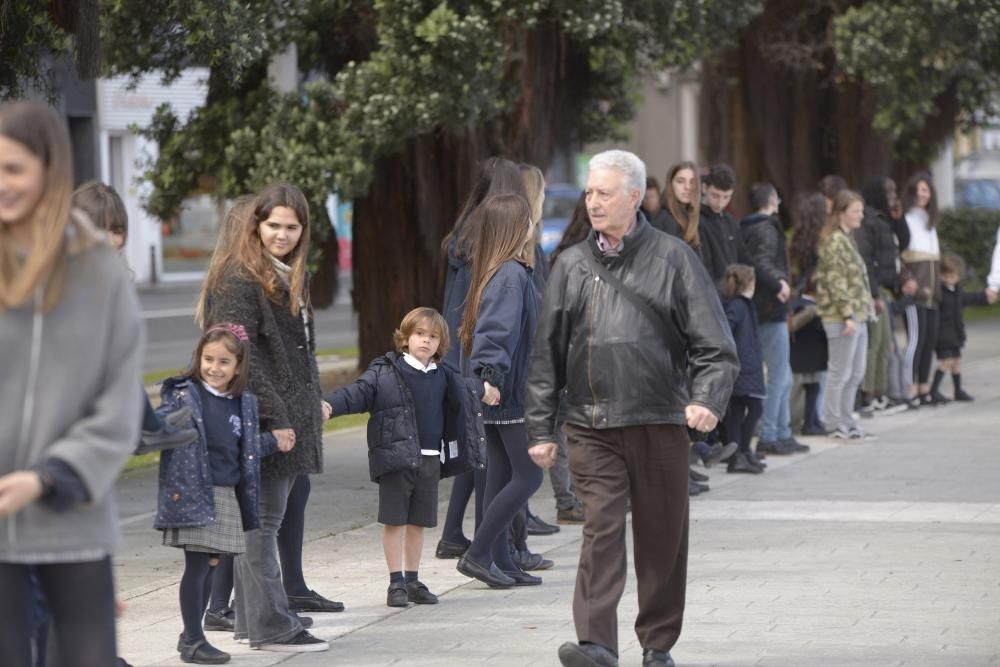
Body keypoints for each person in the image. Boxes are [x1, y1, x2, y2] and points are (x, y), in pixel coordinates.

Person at [526, 150, 739, 667]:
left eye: (603, 193)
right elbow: (546, 352)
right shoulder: (572, 264)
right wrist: (541, 428)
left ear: (634, 197)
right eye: (589, 193)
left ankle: (657, 644)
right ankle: (596, 642)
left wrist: (706, 400)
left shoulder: (674, 259)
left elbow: (716, 345)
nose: (592, 203)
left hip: (663, 422)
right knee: (600, 529)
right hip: (593, 426)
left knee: (662, 537)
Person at [0, 100, 144, 666]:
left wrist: (51, 475)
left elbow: (117, 397)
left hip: (73, 511)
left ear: (49, 169)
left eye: (13, 168)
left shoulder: (97, 268)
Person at [199, 182, 329, 652]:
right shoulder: (240, 279)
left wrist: (313, 401)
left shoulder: (286, 273)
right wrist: (276, 419)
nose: (282, 234)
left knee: (261, 521)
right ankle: (273, 626)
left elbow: (297, 354)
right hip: (263, 422)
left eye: (292, 227)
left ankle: (253, 624)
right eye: (273, 225)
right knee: (261, 525)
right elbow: (239, 357)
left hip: (290, 418)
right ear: (256, 225)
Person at [324, 307, 486, 606]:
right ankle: (395, 582)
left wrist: (484, 389)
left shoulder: (444, 375)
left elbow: (467, 390)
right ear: (406, 338)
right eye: (419, 334)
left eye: (433, 336)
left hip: (430, 459)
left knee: (418, 523)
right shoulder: (386, 372)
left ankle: (412, 579)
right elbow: (356, 393)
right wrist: (328, 405)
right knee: (395, 522)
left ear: (441, 343)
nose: (426, 341)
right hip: (397, 458)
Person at [156, 324, 279, 664]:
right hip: (195, 490)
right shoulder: (185, 394)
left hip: (226, 494)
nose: (214, 367)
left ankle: (190, 636)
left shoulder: (241, 402)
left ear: (238, 367)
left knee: (211, 564)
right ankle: (194, 639)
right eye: (208, 359)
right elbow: (160, 426)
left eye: (224, 362)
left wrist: (275, 441)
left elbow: (246, 446)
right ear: (198, 358)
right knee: (198, 566)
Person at [436, 157, 525, 560]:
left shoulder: (465, 235)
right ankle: (491, 548)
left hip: (465, 354)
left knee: (483, 457)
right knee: (503, 465)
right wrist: (488, 372)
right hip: (487, 365)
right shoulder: (501, 260)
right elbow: (496, 318)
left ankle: (475, 542)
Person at [454, 193, 545, 589]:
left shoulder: (499, 270)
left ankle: (500, 559)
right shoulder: (509, 274)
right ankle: (477, 554)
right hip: (505, 389)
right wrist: (490, 376)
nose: (532, 226)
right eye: (527, 220)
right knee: (528, 476)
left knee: (500, 472)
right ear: (515, 227)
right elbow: (496, 331)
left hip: (500, 388)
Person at [740, 182, 808, 456]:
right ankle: (772, 434)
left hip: (761, 308)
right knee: (780, 375)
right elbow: (763, 261)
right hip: (770, 309)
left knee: (783, 375)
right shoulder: (767, 228)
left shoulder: (746, 227)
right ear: (773, 200)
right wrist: (780, 282)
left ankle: (782, 431)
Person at [816, 191, 875, 440]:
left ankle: (847, 420)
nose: (860, 215)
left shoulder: (847, 239)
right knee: (840, 372)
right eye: (856, 211)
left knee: (856, 373)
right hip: (842, 317)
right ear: (841, 213)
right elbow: (835, 280)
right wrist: (847, 314)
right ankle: (833, 423)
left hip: (858, 315)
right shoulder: (835, 241)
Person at [855, 177, 907, 414]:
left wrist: (899, 218)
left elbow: (904, 243)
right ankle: (869, 396)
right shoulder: (869, 220)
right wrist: (874, 294)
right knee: (874, 345)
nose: (893, 196)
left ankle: (879, 393)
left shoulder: (886, 219)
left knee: (885, 345)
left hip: (886, 289)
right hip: (875, 291)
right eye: (889, 192)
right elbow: (866, 260)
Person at [899, 173, 942, 407]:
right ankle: (910, 388)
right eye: (919, 190)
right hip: (915, 293)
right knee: (916, 340)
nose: (923, 194)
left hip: (932, 293)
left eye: (927, 190)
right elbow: (900, 258)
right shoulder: (906, 220)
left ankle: (924, 387)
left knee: (929, 340)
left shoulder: (930, 222)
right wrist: (906, 278)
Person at [930, 254, 996, 402]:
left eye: (954, 276)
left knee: (956, 362)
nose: (950, 279)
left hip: (956, 333)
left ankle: (958, 390)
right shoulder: (939, 293)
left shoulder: (957, 291)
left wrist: (985, 297)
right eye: (947, 276)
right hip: (943, 334)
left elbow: (969, 299)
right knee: (946, 362)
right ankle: (933, 391)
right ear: (941, 275)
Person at [721, 265, 766, 474]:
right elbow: (726, 329)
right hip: (743, 367)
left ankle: (739, 456)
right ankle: (742, 453)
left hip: (742, 366)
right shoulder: (739, 306)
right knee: (755, 408)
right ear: (749, 283)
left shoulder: (741, 305)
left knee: (738, 412)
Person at [699, 164, 743, 285]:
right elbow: (705, 269)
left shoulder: (730, 221)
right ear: (704, 188)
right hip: (713, 295)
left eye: (726, 197)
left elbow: (744, 256)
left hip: (732, 293)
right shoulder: (697, 221)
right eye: (715, 196)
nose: (720, 203)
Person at [652, 161, 701, 258]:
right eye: (680, 181)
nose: (687, 187)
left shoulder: (689, 216)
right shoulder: (666, 219)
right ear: (670, 184)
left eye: (692, 182)